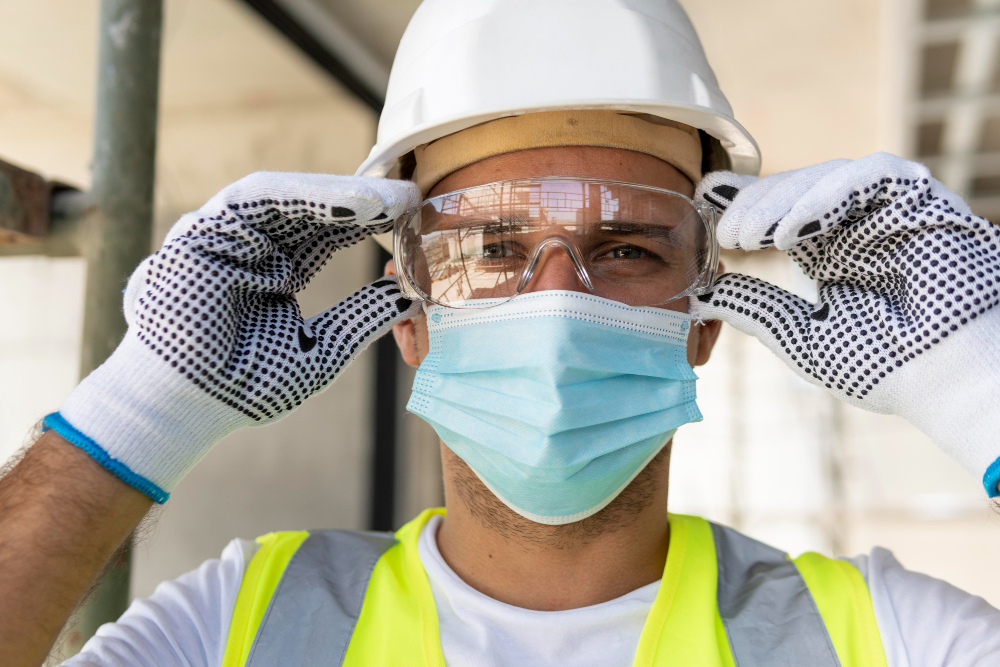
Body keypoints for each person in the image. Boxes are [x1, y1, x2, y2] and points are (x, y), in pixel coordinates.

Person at [2, 0, 999, 665]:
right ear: (409, 314)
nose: (553, 301)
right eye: (489, 244)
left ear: (703, 319)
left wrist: (979, 388)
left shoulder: (883, 637)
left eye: (623, 248)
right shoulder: (233, 627)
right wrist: (143, 407)